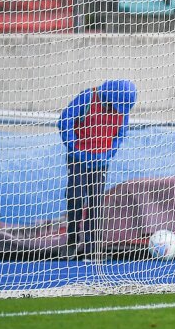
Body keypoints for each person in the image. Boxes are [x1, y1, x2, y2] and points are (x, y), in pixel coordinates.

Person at [57, 79, 137, 258]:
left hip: (101, 162)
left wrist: (110, 152)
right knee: (75, 197)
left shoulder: (121, 108)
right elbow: (64, 121)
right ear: (108, 98)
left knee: (96, 201)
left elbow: (121, 133)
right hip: (79, 159)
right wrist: (74, 148)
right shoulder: (88, 97)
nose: (115, 111)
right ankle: (72, 241)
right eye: (113, 106)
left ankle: (93, 247)